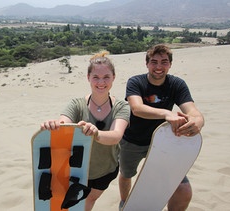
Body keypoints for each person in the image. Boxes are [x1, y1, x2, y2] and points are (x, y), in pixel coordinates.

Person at [118, 44, 205, 210]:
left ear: (170, 64)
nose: (159, 67)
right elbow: (137, 109)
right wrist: (166, 113)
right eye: (154, 62)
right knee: (126, 174)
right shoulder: (135, 82)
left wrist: (198, 121)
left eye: (164, 62)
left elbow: (192, 111)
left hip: (163, 143)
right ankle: (124, 203)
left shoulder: (177, 84)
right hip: (132, 141)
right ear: (147, 64)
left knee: (184, 190)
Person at [41, 51, 130, 211]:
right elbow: (63, 124)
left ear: (113, 78)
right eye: (96, 77)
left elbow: (116, 136)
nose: (101, 82)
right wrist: (54, 125)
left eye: (106, 77)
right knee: (75, 204)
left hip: (105, 170)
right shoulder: (77, 104)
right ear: (88, 77)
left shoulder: (121, 107)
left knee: (89, 200)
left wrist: (96, 133)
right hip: (77, 170)